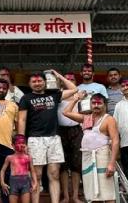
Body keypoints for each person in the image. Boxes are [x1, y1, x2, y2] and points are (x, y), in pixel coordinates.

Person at [18, 70, 77, 203]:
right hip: (35, 139)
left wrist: (59, 76)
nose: (37, 83)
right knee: (36, 175)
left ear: (45, 82)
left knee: (54, 174)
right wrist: (21, 140)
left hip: (54, 138)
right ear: (29, 83)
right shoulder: (26, 98)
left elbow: (74, 89)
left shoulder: (54, 95)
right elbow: (21, 120)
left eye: (40, 81)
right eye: (34, 81)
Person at [63, 92, 119, 203]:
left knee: (107, 193)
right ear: (90, 104)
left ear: (105, 105)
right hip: (87, 157)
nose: (96, 105)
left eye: (99, 103)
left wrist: (112, 163)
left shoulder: (109, 119)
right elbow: (65, 112)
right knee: (92, 193)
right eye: (93, 103)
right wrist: (75, 99)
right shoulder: (86, 118)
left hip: (103, 157)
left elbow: (116, 141)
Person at [57, 72, 83, 203]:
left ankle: (75, 196)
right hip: (60, 131)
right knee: (63, 165)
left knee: (76, 164)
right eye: (67, 79)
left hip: (76, 131)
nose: (69, 81)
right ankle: (66, 196)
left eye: (72, 79)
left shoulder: (80, 94)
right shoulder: (58, 94)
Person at [0, 134, 38, 203]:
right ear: (13, 145)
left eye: (23, 143)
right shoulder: (9, 157)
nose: (21, 145)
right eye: (18, 143)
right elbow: (2, 170)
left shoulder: (28, 157)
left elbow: (32, 171)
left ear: (26, 144)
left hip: (25, 182)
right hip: (13, 182)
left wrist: (35, 183)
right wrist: (2, 183)